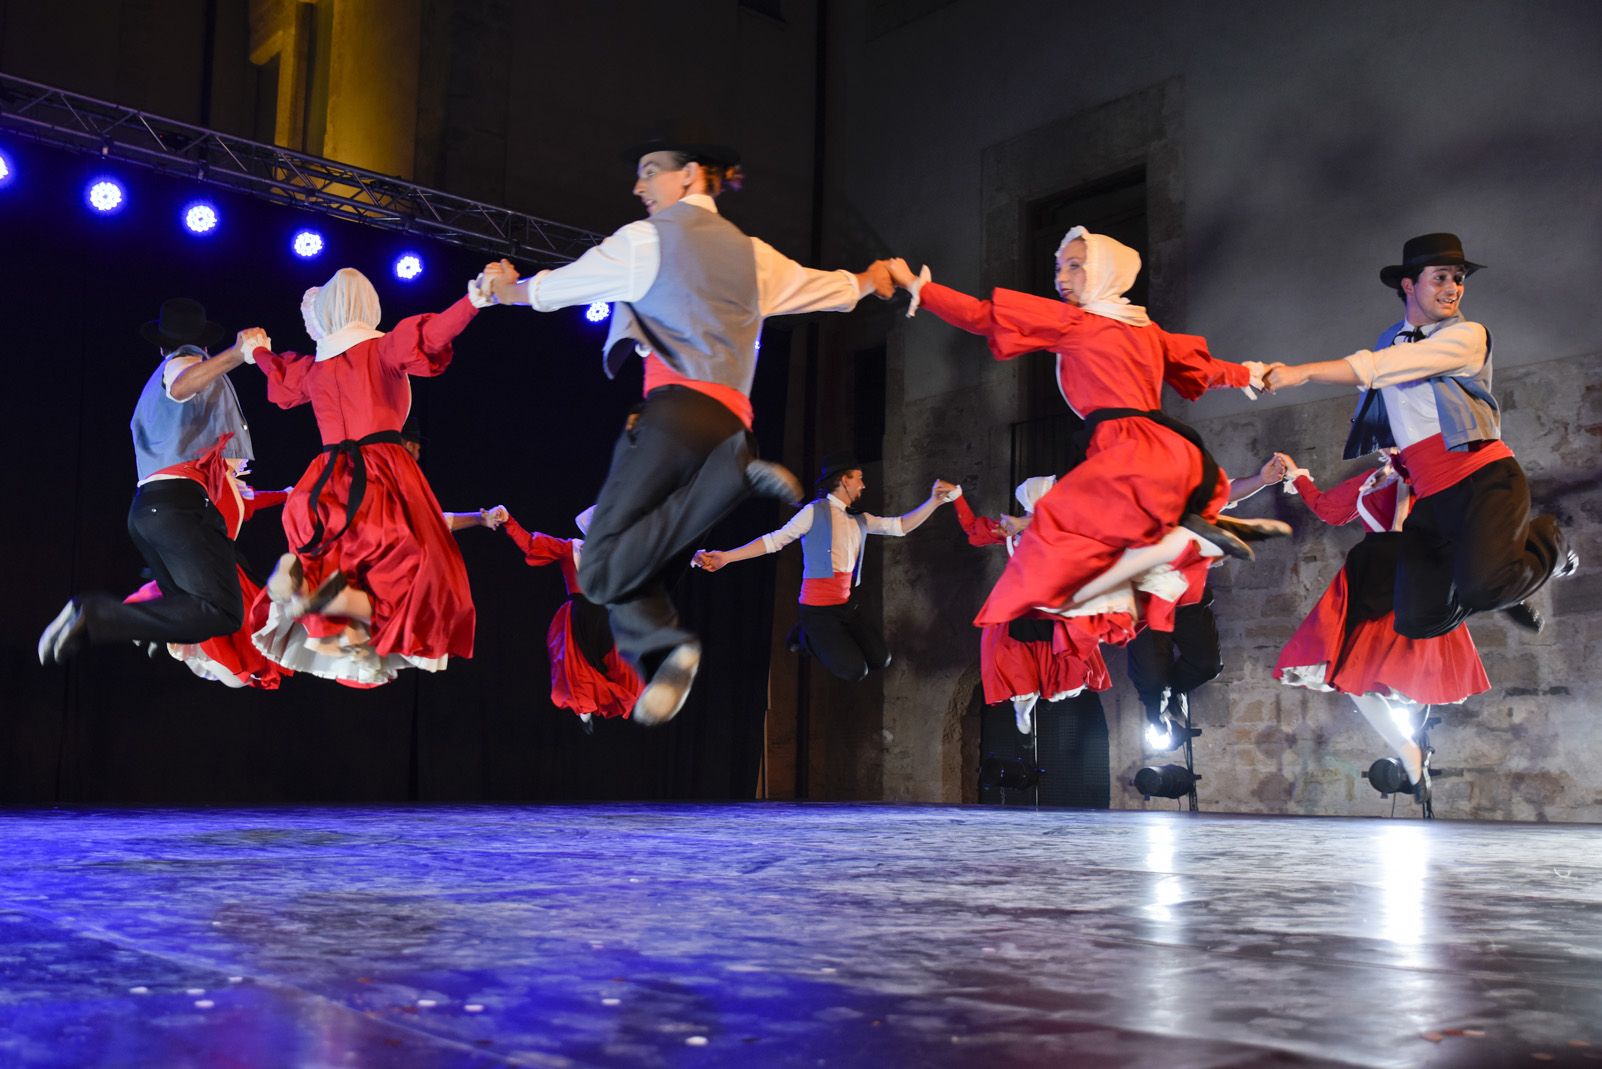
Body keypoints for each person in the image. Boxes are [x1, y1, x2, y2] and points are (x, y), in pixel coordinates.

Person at [479, 136, 893, 724]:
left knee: (596, 568)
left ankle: (674, 633)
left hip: (675, 419)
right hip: (733, 426)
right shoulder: (753, 255)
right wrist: (870, 278)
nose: (639, 186)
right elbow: (829, 289)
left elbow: (554, 290)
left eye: (650, 172)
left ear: (690, 176)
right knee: (630, 573)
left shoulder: (648, 240)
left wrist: (506, 289)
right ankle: (710, 523)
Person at [884, 231, 1280, 650]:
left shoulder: (1078, 322)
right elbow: (1207, 367)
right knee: (1106, 533)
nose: (1062, 276)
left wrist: (920, 289)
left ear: (1106, 272)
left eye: (1075, 266)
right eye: (1059, 266)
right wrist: (1250, 374)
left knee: (1064, 526)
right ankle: (1153, 568)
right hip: (1167, 448)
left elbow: (984, 315)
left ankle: (1137, 580)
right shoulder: (1146, 330)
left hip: (1127, 446)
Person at [1263, 233, 1576, 637]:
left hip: (1482, 479)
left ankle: (1549, 541)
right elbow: (1390, 392)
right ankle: (1492, 585)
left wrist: (1301, 372)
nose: (1453, 289)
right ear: (1409, 285)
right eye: (1441, 278)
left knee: (1484, 587)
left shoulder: (1466, 336)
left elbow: (1385, 367)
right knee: (1417, 618)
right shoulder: (1389, 341)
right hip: (1433, 494)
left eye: (1458, 279)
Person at [245, 267, 489, 687]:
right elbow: (432, 335)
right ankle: (332, 612)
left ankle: (318, 602)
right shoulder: (381, 350)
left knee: (344, 560)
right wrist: (475, 300)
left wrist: (258, 353)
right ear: (369, 305)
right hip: (380, 471)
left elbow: (281, 375)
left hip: (324, 479)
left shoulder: (316, 368)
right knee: (416, 569)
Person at [38, 299, 267, 665]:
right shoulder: (184, 360)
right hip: (177, 507)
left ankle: (141, 626)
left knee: (194, 615)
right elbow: (181, 385)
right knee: (223, 610)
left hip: (151, 510)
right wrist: (238, 354)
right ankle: (93, 614)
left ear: (160, 343)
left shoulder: (155, 388)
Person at [1272, 450, 1490, 815]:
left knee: (1367, 673)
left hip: (1387, 568)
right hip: (1394, 570)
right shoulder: (1409, 477)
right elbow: (1330, 509)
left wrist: (1298, 477)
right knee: (1364, 674)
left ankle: (1410, 746)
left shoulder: (1403, 478)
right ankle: (1409, 747)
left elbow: (1329, 509)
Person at [694, 455, 955, 682]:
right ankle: (806, 635)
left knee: (881, 659)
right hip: (818, 611)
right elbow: (775, 540)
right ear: (844, 480)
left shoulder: (860, 518)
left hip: (845, 605)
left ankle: (816, 636)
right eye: (859, 478)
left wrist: (934, 502)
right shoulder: (813, 512)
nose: (863, 485)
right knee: (855, 672)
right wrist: (727, 556)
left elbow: (900, 526)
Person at [1127, 455, 1290, 747]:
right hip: (1147, 608)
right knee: (1152, 679)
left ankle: (1170, 692)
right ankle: (1157, 717)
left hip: (1189, 600)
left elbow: (1227, 491)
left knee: (1207, 665)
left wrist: (1261, 480)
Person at [122, 435, 292, 689]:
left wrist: (287, 494)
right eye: (239, 455)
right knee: (234, 670)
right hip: (206, 562)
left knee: (238, 676)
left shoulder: (237, 491)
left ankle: (180, 638)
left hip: (224, 566)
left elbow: (258, 499)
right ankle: (173, 629)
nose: (244, 461)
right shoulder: (210, 481)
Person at [951, 475, 1110, 734]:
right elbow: (974, 530)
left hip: (1056, 605)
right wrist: (957, 497)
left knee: (1067, 661)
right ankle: (1024, 705)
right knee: (1016, 661)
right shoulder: (1012, 533)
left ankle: (1040, 696)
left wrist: (1024, 522)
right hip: (1023, 605)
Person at [491, 504, 644, 731]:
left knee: (627, 672)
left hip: (610, 617)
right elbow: (531, 544)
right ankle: (584, 709)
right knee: (576, 673)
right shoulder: (570, 549)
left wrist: (695, 557)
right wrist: (508, 521)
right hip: (580, 615)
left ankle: (614, 702)